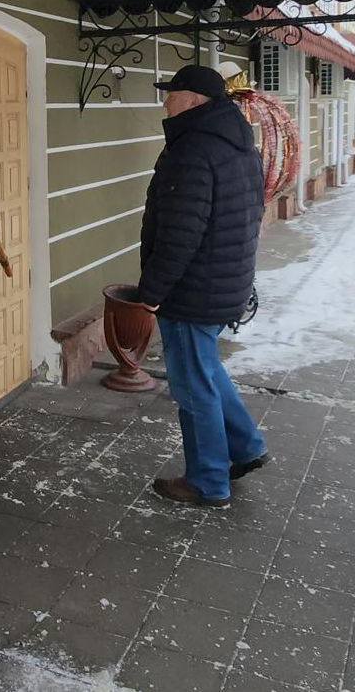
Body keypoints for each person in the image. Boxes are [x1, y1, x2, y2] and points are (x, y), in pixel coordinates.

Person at [134, 64, 268, 508]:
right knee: (206, 370)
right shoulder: (236, 143)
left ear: (192, 101)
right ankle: (246, 446)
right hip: (222, 278)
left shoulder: (192, 150)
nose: (165, 102)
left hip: (193, 288)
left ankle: (208, 481)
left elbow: (179, 233)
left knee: (193, 387)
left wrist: (151, 292)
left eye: (171, 95)